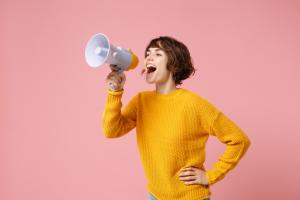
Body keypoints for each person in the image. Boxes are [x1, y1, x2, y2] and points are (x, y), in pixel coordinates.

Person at [102, 36, 251, 200]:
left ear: (173, 64)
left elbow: (239, 140)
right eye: (148, 53)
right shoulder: (141, 102)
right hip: (155, 195)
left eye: (158, 54)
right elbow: (111, 131)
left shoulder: (193, 103)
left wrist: (210, 176)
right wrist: (114, 91)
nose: (149, 58)